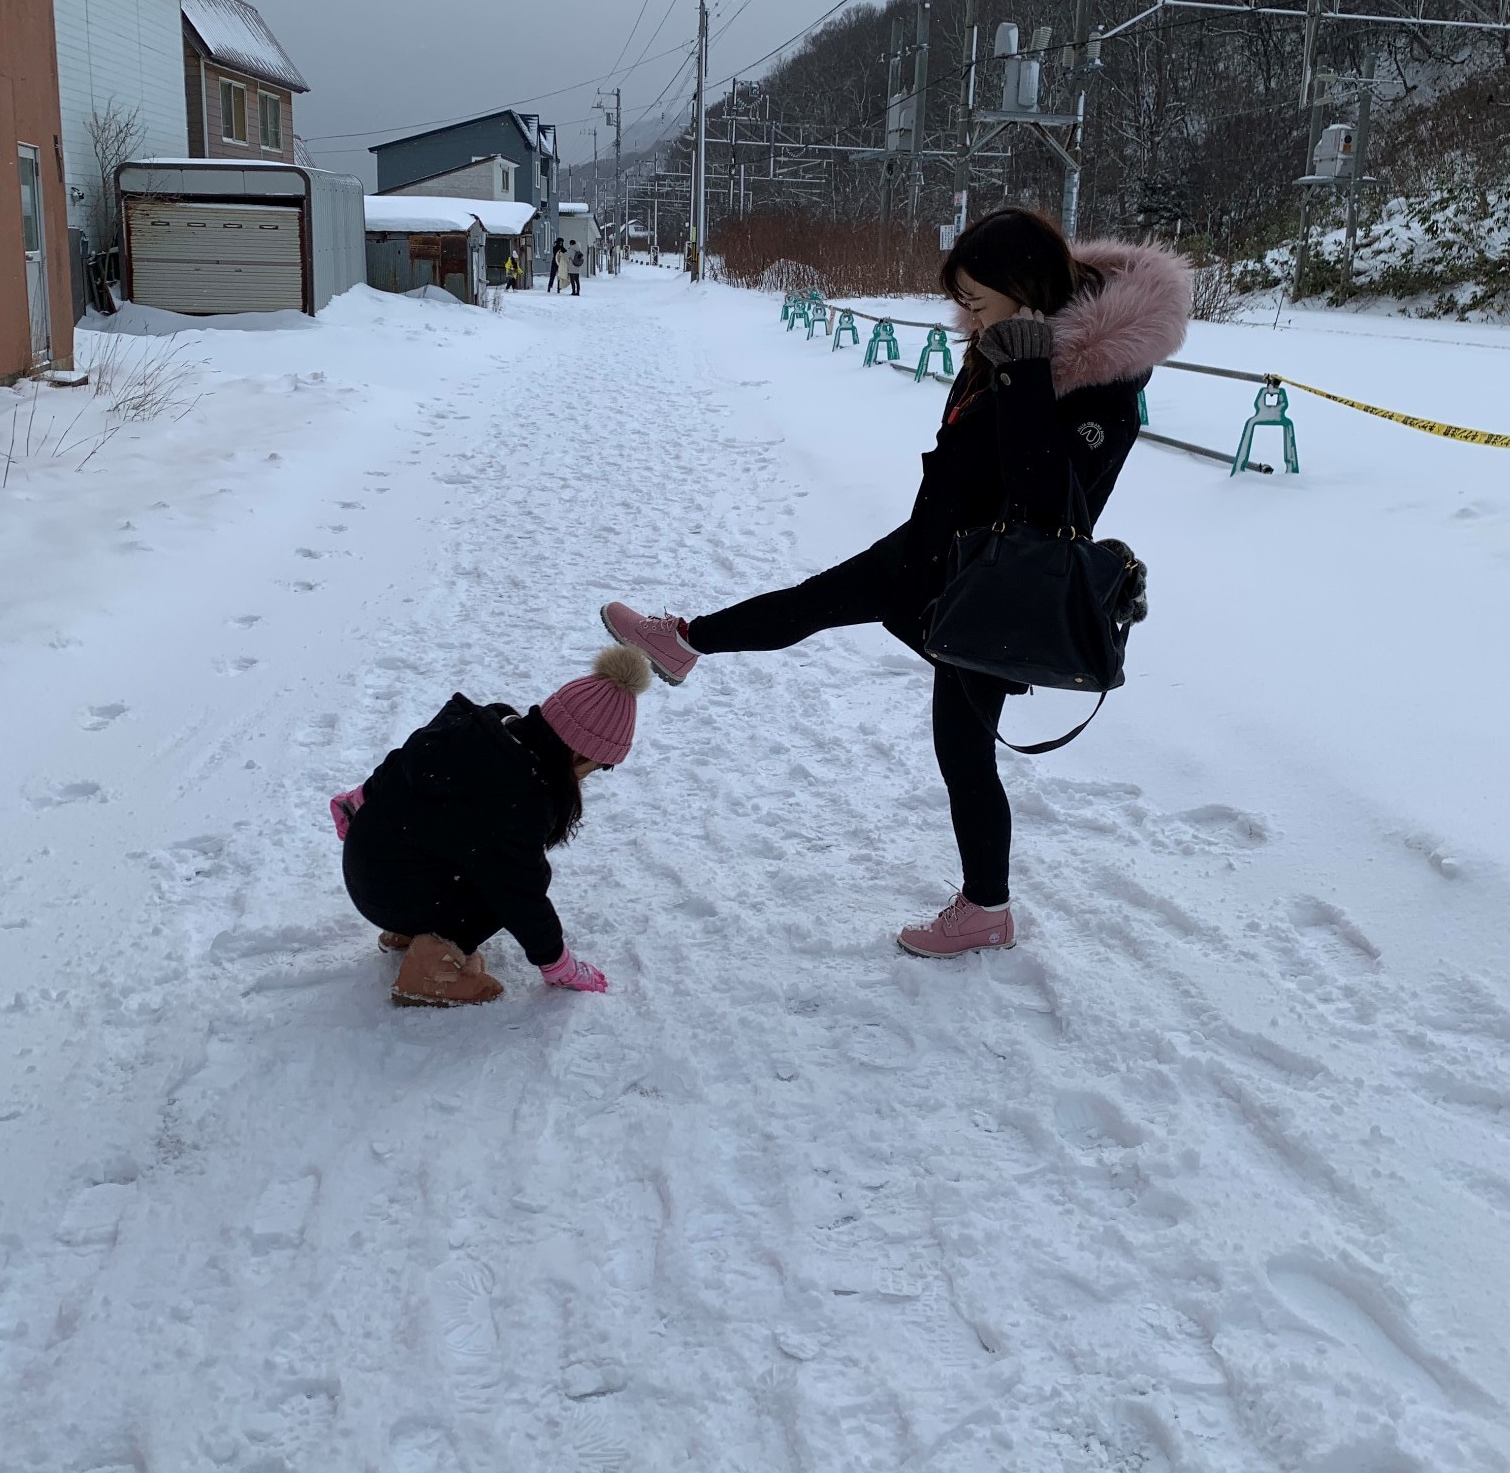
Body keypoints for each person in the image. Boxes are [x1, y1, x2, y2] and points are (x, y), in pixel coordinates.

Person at [600, 208, 1188, 959]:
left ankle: (987, 908)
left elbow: (1046, 496)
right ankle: (684, 643)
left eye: (977, 300)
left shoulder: (1096, 382)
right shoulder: (1011, 339)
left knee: (963, 749)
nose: (965, 317)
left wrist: (1027, 373)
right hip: (936, 547)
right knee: (818, 603)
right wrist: (1008, 360)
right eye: (963, 301)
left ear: (1024, 288)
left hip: (994, 583)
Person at [329, 645, 653, 1005]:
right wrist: (557, 963)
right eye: (596, 767)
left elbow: (408, 757)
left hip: (371, 864)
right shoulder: (518, 797)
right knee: (507, 884)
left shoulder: (485, 729)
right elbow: (520, 894)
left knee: (473, 858)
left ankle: (409, 932)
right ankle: (426, 972)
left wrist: (360, 800)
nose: (586, 779)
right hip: (390, 891)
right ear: (579, 752)